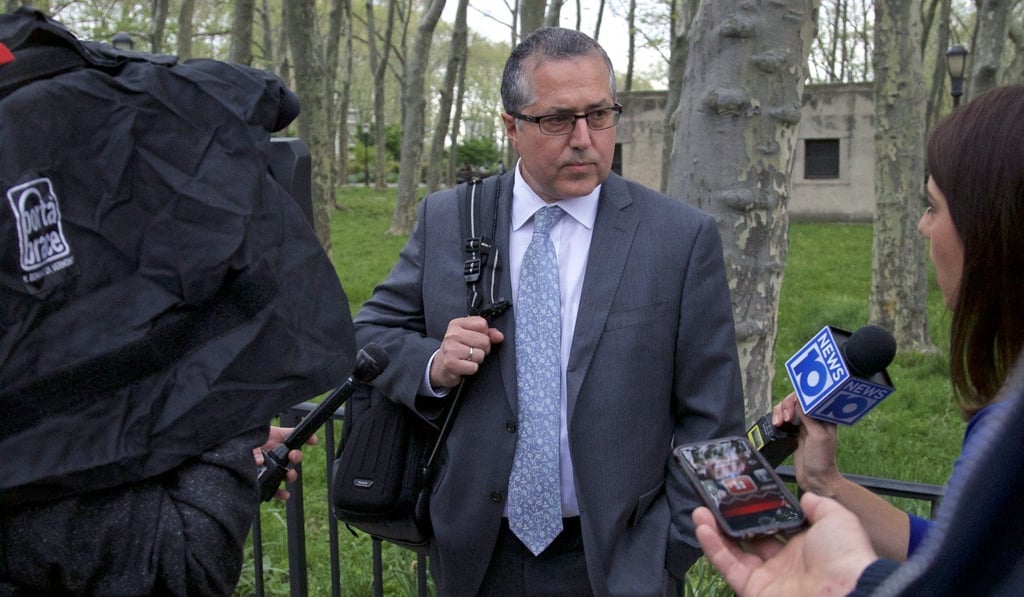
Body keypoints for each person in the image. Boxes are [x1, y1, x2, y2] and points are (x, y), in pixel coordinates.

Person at [353, 27, 744, 596]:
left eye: (600, 115)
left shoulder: (679, 239)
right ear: (511, 126)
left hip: (617, 560)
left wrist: (667, 551)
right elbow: (371, 335)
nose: (584, 139)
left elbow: (714, 420)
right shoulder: (449, 220)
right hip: (475, 552)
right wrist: (433, 364)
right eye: (558, 120)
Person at [693, 84, 1024, 595]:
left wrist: (844, 584)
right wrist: (827, 484)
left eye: (933, 207)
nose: (921, 227)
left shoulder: (1011, 429)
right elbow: (962, 558)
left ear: (994, 228)